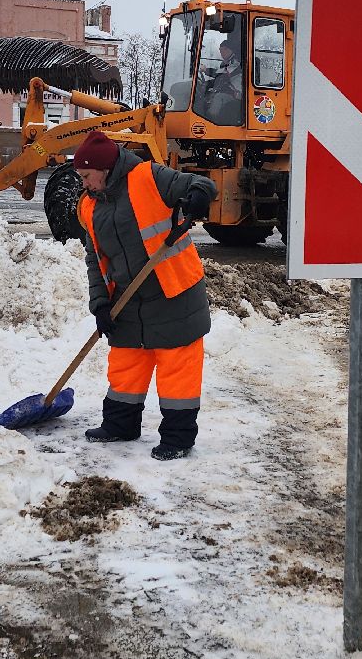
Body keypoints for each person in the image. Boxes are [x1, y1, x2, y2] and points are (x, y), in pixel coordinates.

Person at [71, 130, 218, 461]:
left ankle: (178, 438)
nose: (84, 184)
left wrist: (197, 197)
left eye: (86, 176)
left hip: (174, 293)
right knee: (126, 365)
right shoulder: (89, 206)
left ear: (104, 168)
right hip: (128, 299)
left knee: (176, 370)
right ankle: (120, 425)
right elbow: (95, 258)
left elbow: (201, 184)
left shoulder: (147, 176)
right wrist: (100, 303)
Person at [198, 37, 243, 123]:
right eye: (220, 50)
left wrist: (206, 70)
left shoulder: (237, 62)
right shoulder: (225, 63)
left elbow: (222, 76)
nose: (221, 52)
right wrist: (204, 84)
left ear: (229, 49)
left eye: (223, 50)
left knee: (218, 98)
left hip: (237, 95)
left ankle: (212, 123)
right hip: (227, 92)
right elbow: (219, 80)